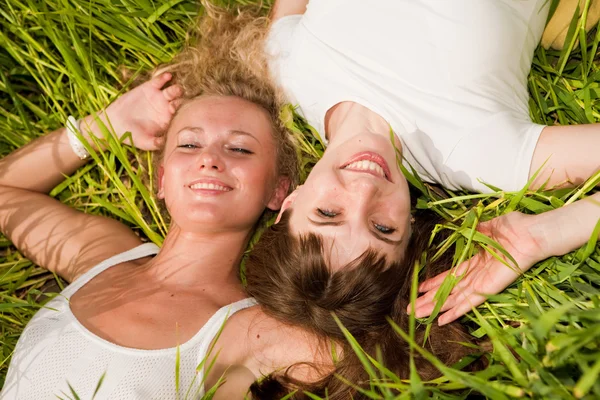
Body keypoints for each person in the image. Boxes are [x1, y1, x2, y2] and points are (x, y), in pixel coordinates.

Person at [232, 0, 600, 396]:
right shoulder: (478, 155)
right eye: (382, 227)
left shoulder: (287, 67)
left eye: (328, 212)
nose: (364, 189)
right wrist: (547, 233)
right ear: (409, 227)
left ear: (290, 203)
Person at [0, 8, 318, 398]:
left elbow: (393, 364)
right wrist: (105, 126)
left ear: (278, 192)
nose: (210, 158)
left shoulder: (255, 331)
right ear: (163, 180)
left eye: (239, 148)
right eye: (189, 143)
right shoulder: (102, 258)